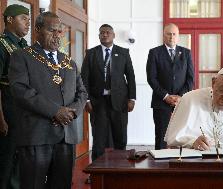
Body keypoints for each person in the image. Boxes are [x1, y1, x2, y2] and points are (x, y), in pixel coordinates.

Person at [8, 12, 87, 189]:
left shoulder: (69, 62)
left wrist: (71, 112)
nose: (57, 35)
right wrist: (55, 111)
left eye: (60, 31)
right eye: (52, 30)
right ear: (37, 30)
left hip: (66, 136)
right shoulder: (22, 56)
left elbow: (82, 93)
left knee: (62, 185)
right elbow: (20, 90)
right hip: (37, 135)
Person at [81, 24, 136, 161]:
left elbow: (130, 76)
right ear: (99, 35)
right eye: (101, 33)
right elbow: (84, 79)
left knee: (120, 137)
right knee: (98, 139)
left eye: (107, 32)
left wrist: (132, 99)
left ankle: (120, 168)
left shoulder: (123, 52)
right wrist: (86, 100)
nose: (104, 35)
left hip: (119, 101)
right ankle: (96, 172)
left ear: (113, 35)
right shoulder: (91, 53)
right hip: (98, 102)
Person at [146, 23, 194, 150]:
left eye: (174, 34)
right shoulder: (154, 53)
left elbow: (190, 79)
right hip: (161, 102)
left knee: (182, 136)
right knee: (162, 137)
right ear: (164, 35)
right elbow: (151, 78)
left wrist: (179, 97)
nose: (171, 37)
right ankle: (160, 168)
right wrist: (166, 96)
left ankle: (180, 166)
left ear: (178, 36)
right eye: (168, 34)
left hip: (182, 102)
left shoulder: (186, 53)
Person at [0, 4, 30, 189]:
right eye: (23, 18)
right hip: (7, 109)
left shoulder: (23, 45)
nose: (28, 23)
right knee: (6, 160)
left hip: (23, 111)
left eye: (28, 19)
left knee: (20, 158)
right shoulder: (2, 45)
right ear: (10, 20)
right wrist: (1, 119)